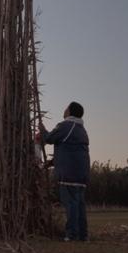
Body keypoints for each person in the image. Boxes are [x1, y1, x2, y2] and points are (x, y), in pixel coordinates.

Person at [38, 102, 90, 242]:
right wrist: (51, 163)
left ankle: (71, 235)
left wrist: (42, 129)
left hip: (69, 174)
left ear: (70, 111)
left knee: (71, 204)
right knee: (79, 205)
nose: (64, 109)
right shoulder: (80, 129)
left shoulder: (66, 126)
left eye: (66, 107)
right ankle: (83, 235)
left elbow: (49, 138)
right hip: (81, 175)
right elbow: (70, 151)